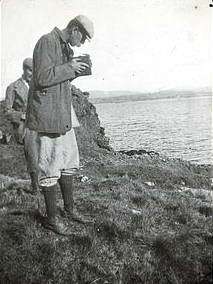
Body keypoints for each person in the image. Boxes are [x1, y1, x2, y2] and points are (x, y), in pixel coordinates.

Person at [26, 15, 94, 235]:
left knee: (68, 162)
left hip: (62, 114)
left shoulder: (65, 48)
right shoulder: (47, 41)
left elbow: (58, 79)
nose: (81, 43)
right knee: (50, 166)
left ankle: (70, 210)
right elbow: (42, 78)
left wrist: (75, 70)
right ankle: (52, 219)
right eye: (82, 38)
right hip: (48, 117)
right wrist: (69, 67)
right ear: (74, 29)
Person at [5, 58, 39, 194]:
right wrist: (22, 116)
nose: (32, 73)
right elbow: (7, 111)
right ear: (24, 69)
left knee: (45, 154)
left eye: (34, 70)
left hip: (41, 124)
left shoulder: (38, 85)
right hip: (26, 127)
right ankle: (35, 186)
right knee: (32, 155)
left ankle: (47, 184)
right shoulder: (13, 87)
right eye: (30, 70)